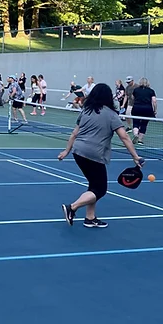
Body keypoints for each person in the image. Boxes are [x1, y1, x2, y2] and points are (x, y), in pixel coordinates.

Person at [59, 83, 143, 228]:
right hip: (94, 154)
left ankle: (90, 218)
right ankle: (72, 208)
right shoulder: (111, 115)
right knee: (100, 189)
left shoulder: (86, 111)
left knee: (93, 185)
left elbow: (74, 133)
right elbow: (125, 137)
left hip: (78, 152)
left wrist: (66, 151)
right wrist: (135, 156)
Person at [130, 77, 157, 146]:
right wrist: (155, 110)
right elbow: (154, 101)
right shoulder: (151, 91)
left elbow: (132, 98)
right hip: (147, 109)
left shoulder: (136, 90)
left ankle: (136, 134)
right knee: (144, 124)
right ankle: (140, 140)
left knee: (136, 122)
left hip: (136, 108)